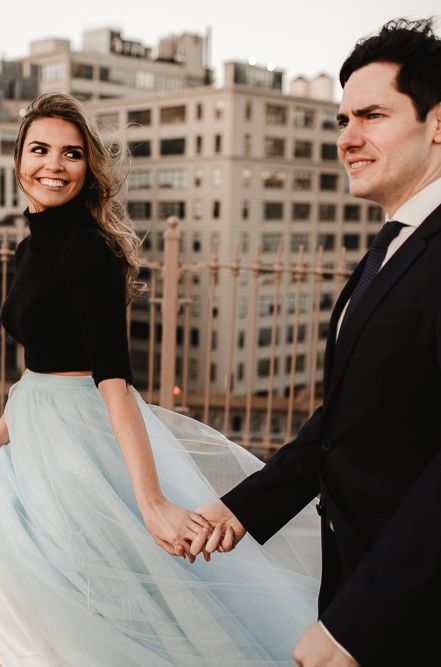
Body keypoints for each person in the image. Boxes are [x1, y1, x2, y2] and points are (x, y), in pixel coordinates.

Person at [0, 92, 321, 667]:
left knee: (73, 604)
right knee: (10, 592)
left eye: (71, 154)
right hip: (32, 436)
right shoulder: (31, 244)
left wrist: (150, 499)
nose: (52, 165)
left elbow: (112, 380)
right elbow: (41, 361)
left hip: (80, 443)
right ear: (17, 159)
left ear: (89, 169)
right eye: (39, 149)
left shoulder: (86, 248)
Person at [190, 18, 441, 667]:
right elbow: (352, 418)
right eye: (341, 120)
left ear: (437, 123)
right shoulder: (392, 244)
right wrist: (241, 507)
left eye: (371, 115)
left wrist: (354, 625)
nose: (347, 138)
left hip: (407, 610)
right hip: (358, 585)